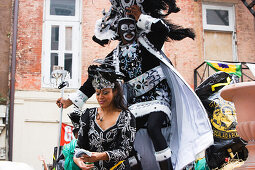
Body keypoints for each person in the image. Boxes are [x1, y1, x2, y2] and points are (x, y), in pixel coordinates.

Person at [57, 3, 213, 170]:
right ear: (118, 31)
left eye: (132, 26)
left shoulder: (149, 43)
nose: (129, 31)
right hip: (135, 100)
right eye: (124, 28)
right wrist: (70, 100)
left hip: (158, 94)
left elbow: (163, 30)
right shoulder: (115, 56)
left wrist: (141, 17)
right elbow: (95, 78)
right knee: (126, 134)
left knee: (154, 127)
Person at [69, 66, 136, 170]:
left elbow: (125, 150)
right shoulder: (88, 114)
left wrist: (101, 156)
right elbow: (79, 147)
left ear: (115, 92)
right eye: (97, 93)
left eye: (105, 92)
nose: (100, 97)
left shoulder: (126, 117)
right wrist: (77, 158)